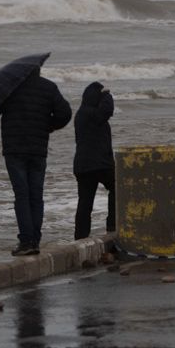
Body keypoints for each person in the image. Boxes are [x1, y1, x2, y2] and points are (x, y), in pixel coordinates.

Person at [0, 66, 71, 256]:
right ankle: (35, 240)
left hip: (15, 150)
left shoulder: (10, 88)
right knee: (36, 195)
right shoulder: (49, 87)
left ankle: (26, 241)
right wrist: (50, 126)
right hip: (38, 150)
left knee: (22, 195)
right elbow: (65, 113)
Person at [73, 81, 116, 240]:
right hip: (99, 164)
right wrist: (107, 95)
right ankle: (112, 225)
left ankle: (80, 237)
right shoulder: (91, 114)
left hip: (83, 166)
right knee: (116, 188)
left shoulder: (82, 114)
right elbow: (107, 111)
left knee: (85, 203)